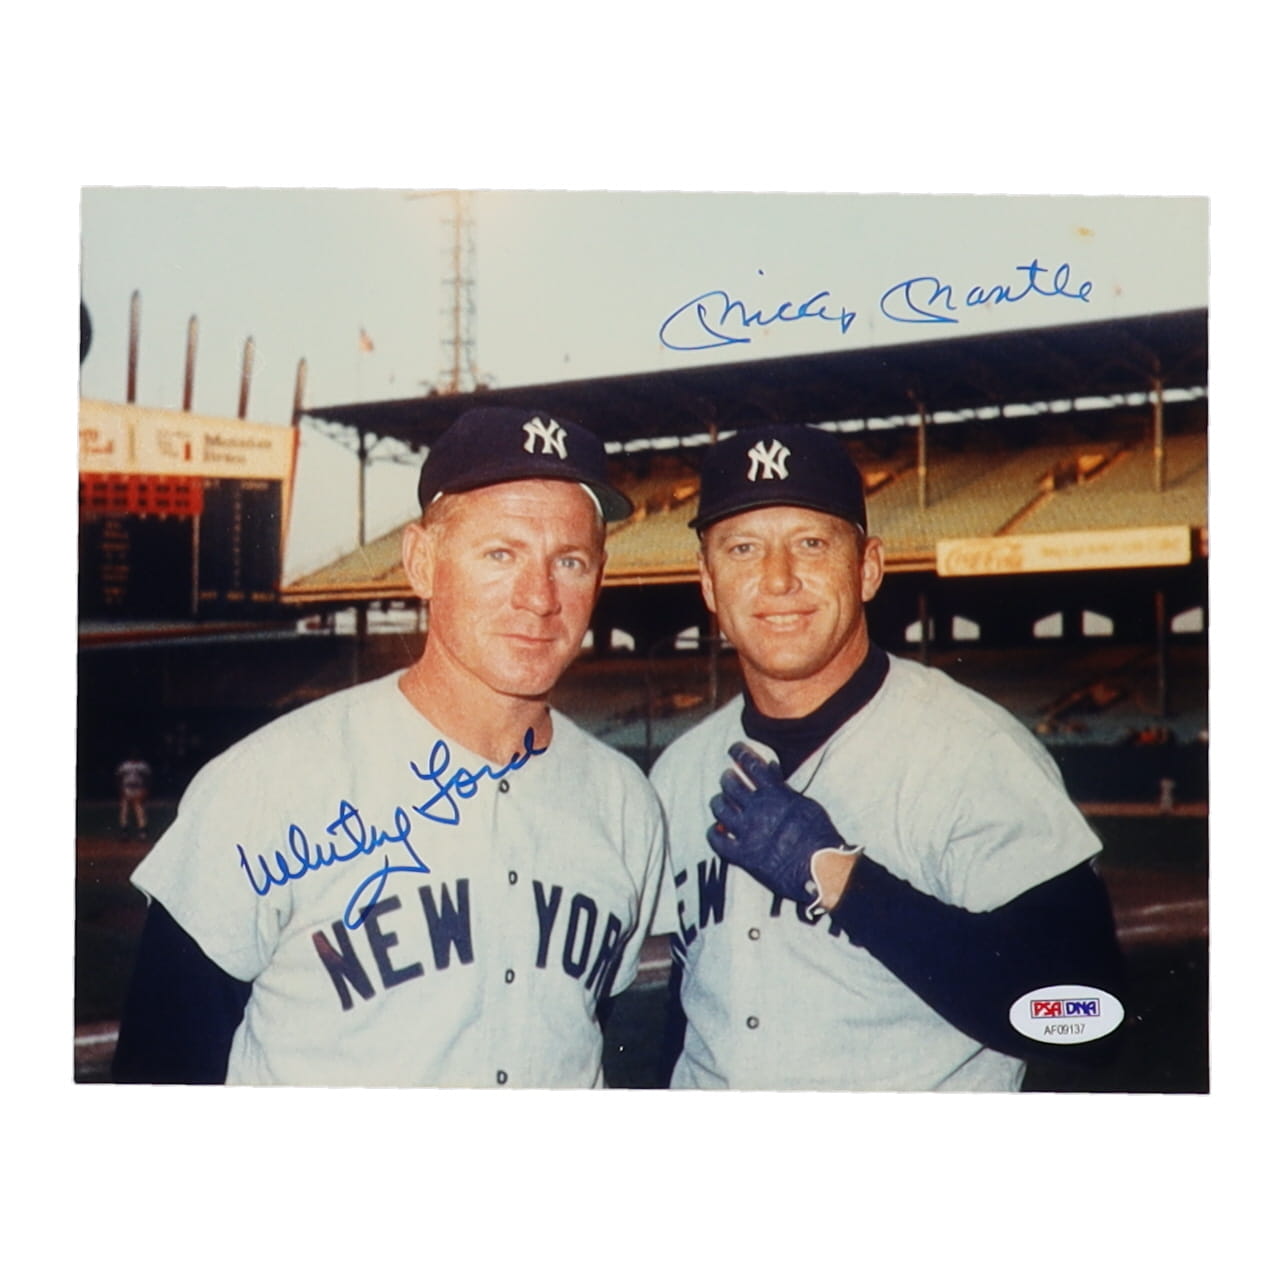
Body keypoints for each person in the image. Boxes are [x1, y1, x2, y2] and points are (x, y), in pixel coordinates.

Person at [113, 407, 666, 1087]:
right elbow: (159, 1072)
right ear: (422, 562)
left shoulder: (626, 803)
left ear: (600, 577)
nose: (539, 597)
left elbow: (584, 1026)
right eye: (501, 554)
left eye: (570, 561)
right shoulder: (267, 781)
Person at [651, 425, 1126, 1090]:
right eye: (743, 548)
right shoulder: (681, 769)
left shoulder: (973, 750)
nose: (778, 578)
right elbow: (691, 1008)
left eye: (811, 544)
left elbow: (1089, 1018)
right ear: (707, 582)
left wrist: (844, 882)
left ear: (868, 567)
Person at [115, 754, 152, 838]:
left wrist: (145, 789)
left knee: (139, 809)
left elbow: (148, 778)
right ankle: (124, 831)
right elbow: (118, 777)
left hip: (139, 788)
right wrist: (120, 789)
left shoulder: (142, 765)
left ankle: (142, 831)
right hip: (127, 788)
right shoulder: (125, 765)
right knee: (124, 810)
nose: (134, 755)